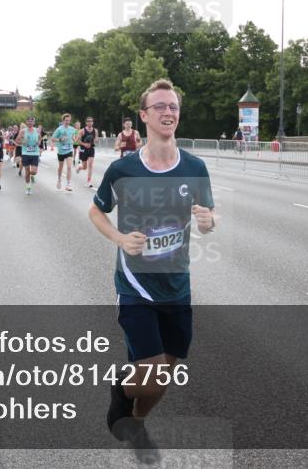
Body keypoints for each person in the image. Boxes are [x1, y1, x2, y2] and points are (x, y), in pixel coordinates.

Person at [88, 79, 215, 463]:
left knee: (168, 372)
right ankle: (122, 393)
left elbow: (207, 220)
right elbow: (96, 211)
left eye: (173, 106)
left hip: (177, 286)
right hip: (135, 285)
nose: (168, 112)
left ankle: (137, 423)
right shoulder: (123, 169)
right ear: (144, 116)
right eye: (159, 106)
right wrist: (119, 239)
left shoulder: (195, 166)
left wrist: (208, 221)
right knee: (154, 371)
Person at [16, 116, 42, 195]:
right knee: (27, 170)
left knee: (33, 172)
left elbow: (40, 138)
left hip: (35, 153)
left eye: (32, 121)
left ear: (34, 122)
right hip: (25, 153)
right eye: (29, 121)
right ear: (26, 122)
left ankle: (32, 175)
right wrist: (23, 142)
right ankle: (28, 187)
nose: (30, 122)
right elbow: (17, 140)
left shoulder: (37, 130)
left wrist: (39, 142)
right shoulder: (23, 131)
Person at [51, 113, 77, 191]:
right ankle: (59, 179)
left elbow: (73, 137)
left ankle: (68, 184)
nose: (67, 122)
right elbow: (53, 139)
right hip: (61, 151)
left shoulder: (72, 129)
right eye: (66, 120)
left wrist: (75, 140)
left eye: (69, 120)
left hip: (69, 150)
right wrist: (59, 139)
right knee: (61, 167)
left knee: (69, 167)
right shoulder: (59, 129)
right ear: (63, 120)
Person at [75, 116, 98, 188]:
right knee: (85, 167)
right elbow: (77, 140)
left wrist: (95, 141)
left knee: (90, 164)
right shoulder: (82, 130)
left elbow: (96, 138)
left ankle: (89, 181)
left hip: (91, 149)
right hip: (83, 149)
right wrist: (84, 144)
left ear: (93, 122)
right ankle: (79, 167)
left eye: (91, 121)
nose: (90, 123)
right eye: (88, 121)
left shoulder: (95, 130)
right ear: (86, 123)